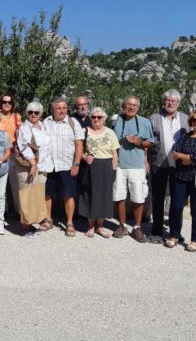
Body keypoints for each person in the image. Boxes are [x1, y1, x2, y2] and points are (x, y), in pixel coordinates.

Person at [166, 110, 196, 252]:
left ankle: (195, 240)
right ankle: (174, 235)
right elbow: (175, 153)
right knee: (176, 207)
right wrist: (191, 159)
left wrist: (186, 158)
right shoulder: (185, 137)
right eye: (194, 120)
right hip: (181, 176)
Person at [147, 89, 190, 243]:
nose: (170, 103)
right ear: (163, 102)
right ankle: (156, 230)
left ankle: (175, 232)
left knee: (177, 200)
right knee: (157, 198)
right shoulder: (153, 118)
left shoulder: (186, 119)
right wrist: (146, 162)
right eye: (168, 100)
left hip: (179, 166)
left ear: (178, 103)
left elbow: (192, 139)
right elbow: (147, 141)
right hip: (158, 163)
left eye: (174, 101)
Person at [112, 96, 155, 242]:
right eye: (129, 104)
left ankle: (137, 227)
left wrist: (138, 141)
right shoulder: (116, 120)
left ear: (138, 107)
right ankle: (122, 225)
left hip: (137, 165)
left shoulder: (144, 122)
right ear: (123, 106)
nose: (131, 107)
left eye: (134, 105)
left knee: (138, 197)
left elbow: (150, 143)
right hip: (119, 165)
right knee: (119, 196)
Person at [43, 98, 84, 237]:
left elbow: (79, 144)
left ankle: (70, 223)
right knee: (47, 193)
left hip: (66, 165)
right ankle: (48, 219)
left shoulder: (73, 123)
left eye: (64, 108)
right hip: (49, 165)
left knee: (68, 195)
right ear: (52, 109)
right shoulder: (46, 122)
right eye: (59, 108)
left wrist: (76, 163)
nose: (62, 111)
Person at [79, 108, 120, 238]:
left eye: (99, 117)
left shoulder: (110, 132)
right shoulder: (84, 131)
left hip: (106, 166)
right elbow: (78, 150)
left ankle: (100, 226)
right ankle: (91, 226)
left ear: (104, 119)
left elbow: (115, 154)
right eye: (93, 117)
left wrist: (114, 171)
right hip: (90, 166)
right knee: (90, 195)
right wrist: (85, 157)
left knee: (104, 196)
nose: (96, 119)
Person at [15, 101, 52, 235]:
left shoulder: (44, 126)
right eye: (30, 112)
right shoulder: (24, 127)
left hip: (43, 166)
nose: (33, 114)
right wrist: (33, 164)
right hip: (28, 166)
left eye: (36, 112)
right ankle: (25, 226)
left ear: (41, 114)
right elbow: (23, 146)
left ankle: (32, 222)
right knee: (27, 195)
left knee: (37, 194)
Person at [0, 93, 22, 217]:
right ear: (0, 103)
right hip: (0, 154)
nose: (7, 104)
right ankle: (4, 210)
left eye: (9, 102)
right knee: (1, 184)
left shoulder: (17, 117)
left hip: (13, 154)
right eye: (4, 102)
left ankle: (19, 211)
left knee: (16, 185)